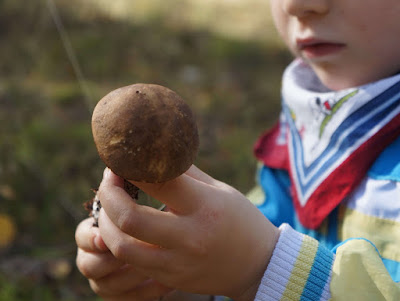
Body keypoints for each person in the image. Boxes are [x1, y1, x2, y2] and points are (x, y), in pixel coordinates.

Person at [75, 0, 400, 299]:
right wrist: (187, 276)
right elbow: (270, 221)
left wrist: (263, 271)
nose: (297, 4)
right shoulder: (305, 123)